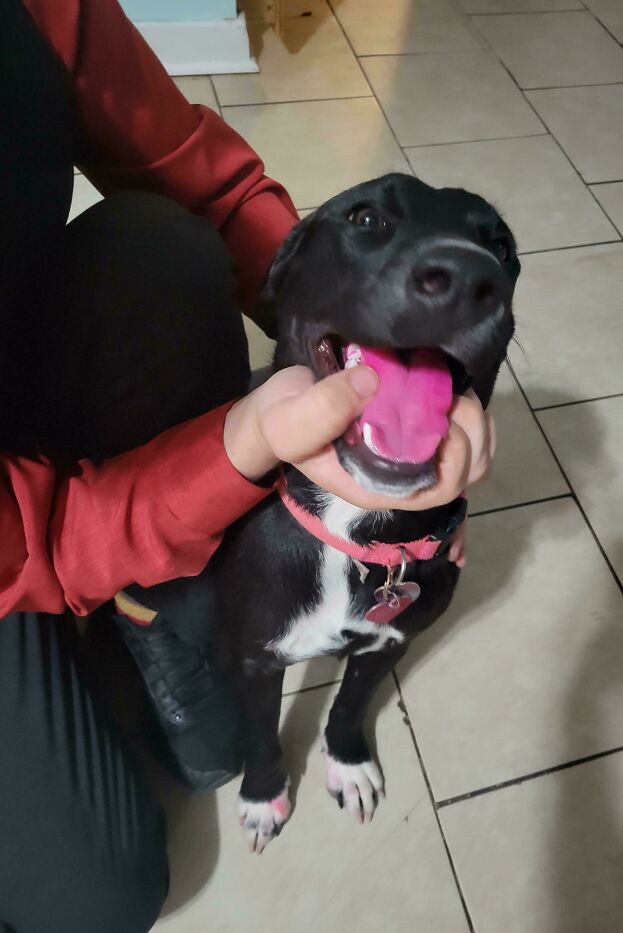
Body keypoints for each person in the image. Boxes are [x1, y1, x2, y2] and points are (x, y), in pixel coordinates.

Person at [0, 1, 496, 931]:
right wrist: (239, 446)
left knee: (160, 244)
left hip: (29, 345)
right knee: (99, 897)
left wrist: (350, 334)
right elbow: (40, 542)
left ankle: (154, 607)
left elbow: (214, 190)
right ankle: (154, 605)